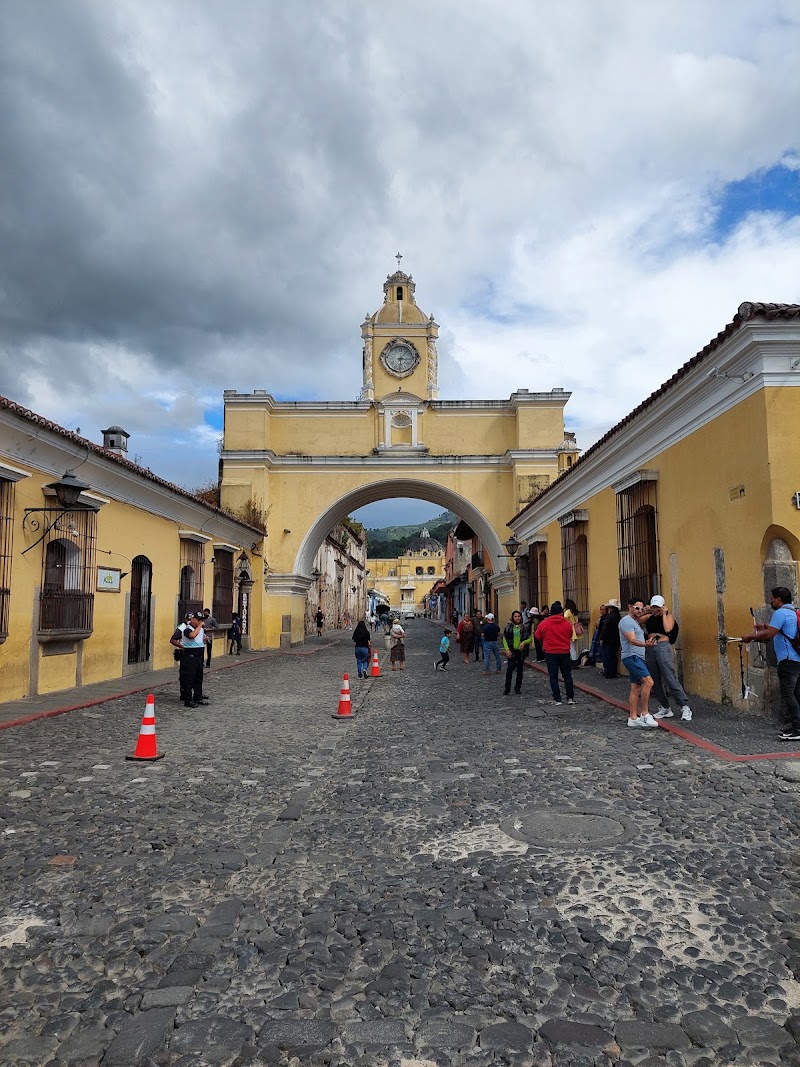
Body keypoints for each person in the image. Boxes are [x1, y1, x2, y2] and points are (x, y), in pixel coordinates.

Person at [742, 586, 800, 742]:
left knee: (789, 694)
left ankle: (798, 728)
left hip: (787, 660)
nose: (770, 600)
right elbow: (782, 630)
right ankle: (796, 725)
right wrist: (766, 627)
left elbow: (769, 635)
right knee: (797, 694)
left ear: (779, 599)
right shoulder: (793, 612)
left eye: (772, 598)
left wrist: (750, 637)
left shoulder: (780, 613)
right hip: (797, 659)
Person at [642, 594, 692, 721]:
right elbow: (638, 620)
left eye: (658, 607)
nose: (656, 610)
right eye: (654, 607)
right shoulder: (650, 617)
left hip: (663, 646)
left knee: (669, 676)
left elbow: (668, 629)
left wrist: (664, 614)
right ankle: (664, 706)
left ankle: (684, 706)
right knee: (654, 679)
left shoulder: (668, 616)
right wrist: (645, 611)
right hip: (650, 647)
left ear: (663, 606)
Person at [619, 599, 659, 728]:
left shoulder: (634, 622)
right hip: (633, 656)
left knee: (636, 687)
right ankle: (645, 713)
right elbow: (631, 640)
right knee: (649, 682)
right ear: (630, 607)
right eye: (637, 608)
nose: (640, 611)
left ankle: (632, 717)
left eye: (641, 609)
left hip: (637, 656)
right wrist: (645, 644)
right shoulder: (626, 621)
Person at [535, 601, 575, 705]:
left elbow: (537, 636)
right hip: (564, 652)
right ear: (561, 612)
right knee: (567, 675)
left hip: (551, 652)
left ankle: (557, 699)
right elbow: (570, 635)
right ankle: (570, 697)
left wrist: (544, 643)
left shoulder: (544, 623)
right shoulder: (567, 623)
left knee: (553, 676)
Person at [170, 612, 208, 708]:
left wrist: (204, 640)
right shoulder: (187, 629)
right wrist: (199, 626)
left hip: (198, 658)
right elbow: (192, 636)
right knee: (188, 679)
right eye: (198, 620)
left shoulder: (200, 630)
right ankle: (188, 700)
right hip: (189, 658)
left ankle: (198, 697)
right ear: (193, 619)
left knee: (198, 679)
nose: (200, 622)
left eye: (201, 620)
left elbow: (198, 640)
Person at [502, 609, 532, 695]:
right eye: (515, 616)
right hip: (511, 651)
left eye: (519, 616)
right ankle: (507, 688)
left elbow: (530, 639)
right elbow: (504, 639)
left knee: (520, 670)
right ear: (512, 617)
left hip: (521, 652)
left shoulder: (525, 627)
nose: (517, 618)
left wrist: (524, 643)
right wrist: (507, 650)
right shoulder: (508, 627)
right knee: (509, 669)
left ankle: (517, 688)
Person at [598, 599, 621, 678]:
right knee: (613, 657)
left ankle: (608, 672)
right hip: (616, 640)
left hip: (608, 640)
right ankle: (613, 672)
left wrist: (602, 638)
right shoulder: (618, 616)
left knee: (607, 657)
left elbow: (605, 629)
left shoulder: (609, 617)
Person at [563, 598, 582, 667]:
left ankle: (573, 662)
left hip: (570, 630)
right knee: (573, 647)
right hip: (575, 629)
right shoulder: (574, 612)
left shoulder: (567, 611)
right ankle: (575, 661)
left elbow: (564, 618)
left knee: (571, 647)